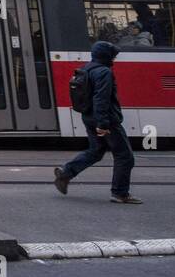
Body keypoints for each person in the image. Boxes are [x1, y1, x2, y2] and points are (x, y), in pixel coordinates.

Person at [53, 41, 139, 204]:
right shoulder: (104, 72)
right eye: (113, 55)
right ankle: (120, 193)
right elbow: (101, 98)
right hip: (105, 120)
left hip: (88, 116)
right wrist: (103, 124)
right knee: (124, 156)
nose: (114, 58)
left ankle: (66, 173)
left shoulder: (85, 69)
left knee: (96, 150)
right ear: (106, 56)